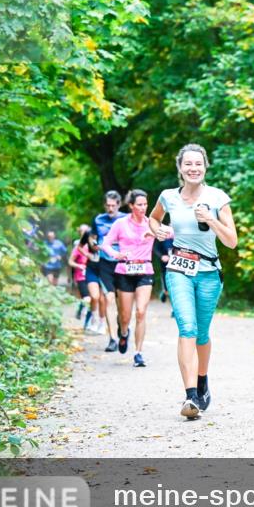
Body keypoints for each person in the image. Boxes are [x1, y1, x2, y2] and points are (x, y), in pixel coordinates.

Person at [149, 143, 237, 419]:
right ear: (180, 167)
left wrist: (211, 219)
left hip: (210, 273)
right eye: (188, 164)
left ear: (205, 166)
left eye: (198, 164)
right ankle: (190, 397)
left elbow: (231, 241)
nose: (193, 168)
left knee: (201, 333)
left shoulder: (217, 197)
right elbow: (153, 219)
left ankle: (202, 380)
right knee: (186, 327)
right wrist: (159, 230)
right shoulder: (168, 197)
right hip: (179, 269)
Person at [101, 190, 157, 367]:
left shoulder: (152, 223)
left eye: (145, 204)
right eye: (139, 204)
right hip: (124, 271)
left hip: (145, 270)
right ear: (131, 206)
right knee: (125, 316)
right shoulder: (120, 223)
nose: (143, 208)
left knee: (141, 312)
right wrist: (116, 254)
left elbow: (170, 233)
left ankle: (138, 353)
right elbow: (105, 245)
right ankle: (123, 333)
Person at [90, 191, 127, 351]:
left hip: (123, 264)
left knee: (122, 305)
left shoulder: (126, 219)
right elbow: (92, 238)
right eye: (108, 205)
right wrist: (93, 244)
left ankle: (122, 327)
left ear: (119, 205)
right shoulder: (98, 219)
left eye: (113, 205)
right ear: (105, 205)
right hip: (105, 264)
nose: (110, 208)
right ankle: (112, 338)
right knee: (109, 299)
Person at [68, 230, 94, 331]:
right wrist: (79, 266)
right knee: (88, 299)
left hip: (92, 276)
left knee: (94, 299)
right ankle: (81, 309)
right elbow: (70, 261)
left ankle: (87, 322)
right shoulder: (78, 247)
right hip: (81, 277)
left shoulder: (95, 247)